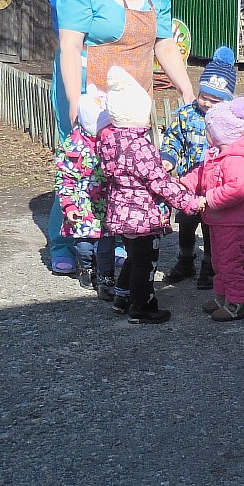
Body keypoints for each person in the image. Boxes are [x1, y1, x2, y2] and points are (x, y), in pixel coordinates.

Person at [47, 0, 196, 276]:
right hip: (88, 89)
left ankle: (113, 240)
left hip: (132, 96)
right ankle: (63, 242)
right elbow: (70, 46)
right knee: (83, 166)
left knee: (123, 166)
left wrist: (187, 89)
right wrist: (73, 100)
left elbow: (164, 43)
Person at [98, 69, 205, 324]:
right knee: (145, 263)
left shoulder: (110, 142)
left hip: (122, 214)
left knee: (134, 257)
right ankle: (142, 306)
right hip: (142, 216)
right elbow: (161, 183)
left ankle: (122, 297)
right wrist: (190, 203)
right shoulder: (139, 147)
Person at [179, 96, 244, 322]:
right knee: (219, 262)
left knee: (231, 263)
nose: (206, 132)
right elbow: (202, 174)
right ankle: (222, 298)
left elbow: (238, 189)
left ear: (220, 131)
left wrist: (208, 198)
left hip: (237, 222)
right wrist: (186, 182)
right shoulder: (218, 155)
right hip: (221, 221)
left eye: (209, 128)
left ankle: (237, 303)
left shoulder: (237, 160)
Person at [159, 45, 236, 289]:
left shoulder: (231, 120)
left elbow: (240, 145)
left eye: (215, 100)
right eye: (204, 97)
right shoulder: (186, 114)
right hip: (189, 183)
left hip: (216, 183)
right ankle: (185, 260)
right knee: (186, 221)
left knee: (212, 225)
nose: (208, 104)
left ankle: (210, 265)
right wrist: (168, 158)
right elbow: (173, 139)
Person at [52, 85, 119, 298]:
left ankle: (106, 277)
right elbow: (65, 179)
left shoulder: (114, 142)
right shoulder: (72, 146)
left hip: (107, 207)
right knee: (84, 246)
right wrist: (69, 205)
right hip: (82, 207)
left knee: (106, 247)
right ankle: (87, 267)